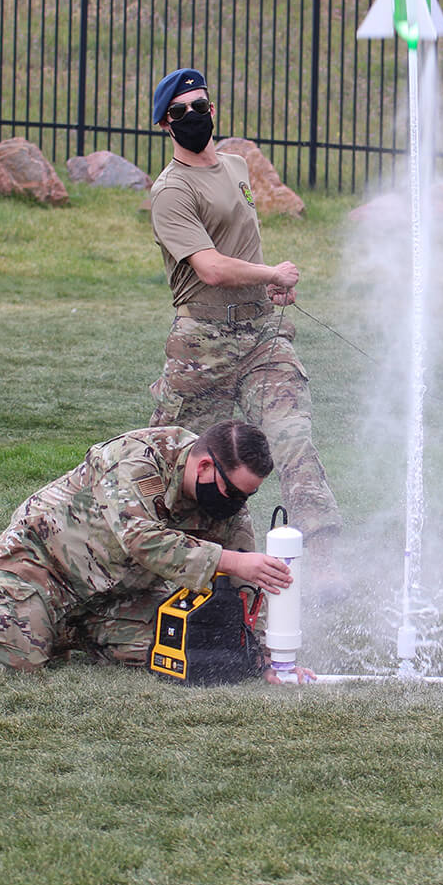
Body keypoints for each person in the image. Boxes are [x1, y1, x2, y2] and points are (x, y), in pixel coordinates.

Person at [0, 421, 305, 681]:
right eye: (234, 492)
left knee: (179, 648)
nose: (239, 504)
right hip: (45, 563)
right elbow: (141, 539)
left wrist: (267, 658)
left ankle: (61, 628)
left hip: (119, 588)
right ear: (204, 465)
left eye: (248, 496)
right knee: (10, 663)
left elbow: (246, 589)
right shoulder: (139, 460)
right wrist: (232, 560)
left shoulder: (225, 501)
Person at [143, 67, 342, 560]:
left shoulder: (235, 166)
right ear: (165, 124)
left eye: (201, 107)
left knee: (293, 437)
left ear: (214, 110)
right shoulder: (171, 191)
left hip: (261, 335)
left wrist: (266, 286)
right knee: (183, 462)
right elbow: (209, 268)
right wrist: (270, 272)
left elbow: (242, 248)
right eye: (181, 112)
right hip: (201, 347)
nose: (194, 116)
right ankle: (168, 559)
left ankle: (326, 556)